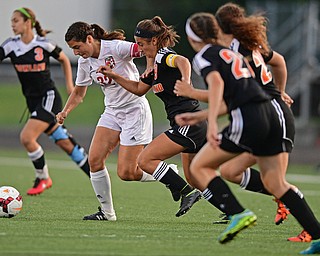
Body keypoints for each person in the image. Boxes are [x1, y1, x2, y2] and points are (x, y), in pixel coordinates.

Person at [177, 12, 320, 254]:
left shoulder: (203, 56)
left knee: (199, 167)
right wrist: (200, 116)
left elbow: (218, 87)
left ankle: (237, 213)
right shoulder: (233, 53)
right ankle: (317, 234)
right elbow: (233, 96)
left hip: (250, 118)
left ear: (193, 38)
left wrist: (210, 123)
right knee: (274, 182)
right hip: (270, 114)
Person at [56, 21, 184, 221]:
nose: (76, 53)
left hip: (134, 110)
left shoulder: (116, 48)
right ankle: (107, 213)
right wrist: (65, 111)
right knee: (94, 160)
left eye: (77, 47)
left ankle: (169, 173)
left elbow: (147, 48)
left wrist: (150, 67)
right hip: (112, 111)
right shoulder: (85, 62)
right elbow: (79, 93)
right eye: (73, 49)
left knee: (127, 172)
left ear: (89, 39)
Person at [96, 16, 205, 218]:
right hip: (186, 122)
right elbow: (138, 89)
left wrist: (187, 83)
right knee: (195, 173)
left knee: (145, 159)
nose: (139, 48)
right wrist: (115, 76)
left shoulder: (163, 56)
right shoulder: (153, 67)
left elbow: (182, 60)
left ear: (154, 41)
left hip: (189, 121)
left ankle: (186, 191)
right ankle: (231, 211)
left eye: (141, 44)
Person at [0, 7, 90, 196]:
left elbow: (65, 59)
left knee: (27, 137)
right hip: (33, 103)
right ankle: (96, 173)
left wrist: (69, 85)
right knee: (66, 144)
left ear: (28, 22)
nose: (12, 24)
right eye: (11, 21)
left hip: (49, 98)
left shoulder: (43, 44)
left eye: (16, 20)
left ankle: (43, 178)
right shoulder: (10, 45)